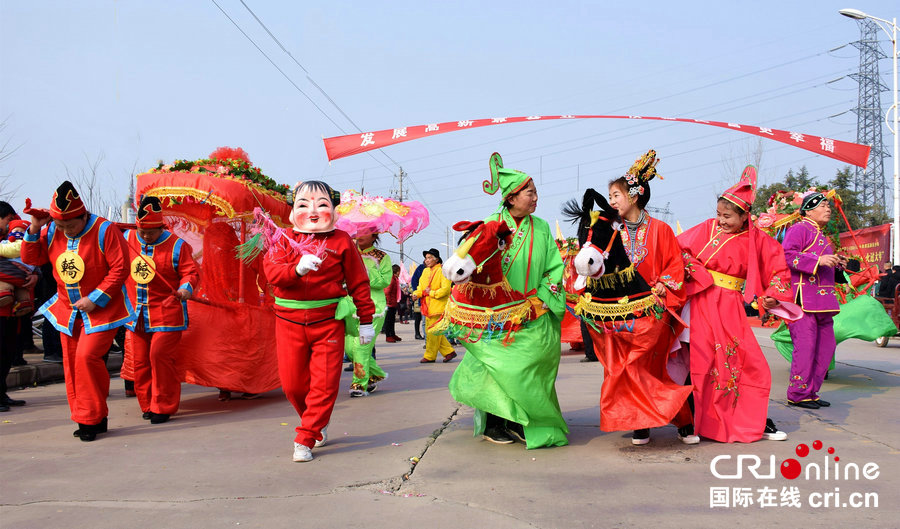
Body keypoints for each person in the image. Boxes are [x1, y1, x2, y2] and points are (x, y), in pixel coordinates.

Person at [447, 152, 568, 448]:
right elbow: (469, 263)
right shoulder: (490, 226)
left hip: (532, 309)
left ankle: (522, 419)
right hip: (495, 314)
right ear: (511, 198)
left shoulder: (540, 227)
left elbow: (554, 265)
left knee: (533, 368)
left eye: (536, 192)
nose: (536, 198)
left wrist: (540, 300)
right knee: (495, 370)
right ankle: (496, 422)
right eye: (530, 193)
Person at [677, 166, 799, 443]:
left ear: (745, 216)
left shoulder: (759, 240)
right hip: (698, 302)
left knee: (749, 364)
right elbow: (677, 250)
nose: (720, 220)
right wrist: (696, 271)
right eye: (719, 214)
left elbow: (779, 272)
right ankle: (690, 421)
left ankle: (753, 421)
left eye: (728, 216)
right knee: (698, 362)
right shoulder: (706, 228)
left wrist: (771, 296)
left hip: (729, 306)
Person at [262, 180, 375, 463]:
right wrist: (296, 270)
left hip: (328, 321)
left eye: (322, 205)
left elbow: (359, 283)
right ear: (292, 209)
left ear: (334, 209)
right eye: (304, 205)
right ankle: (315, 420)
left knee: (325, 384)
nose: (313, 212)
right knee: (292, 385)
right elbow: (272, 273)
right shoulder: (281, 238)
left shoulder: (342, 241)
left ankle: (305, 436)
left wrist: (366, 321)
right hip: (288, 321)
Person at [587, 150, 694, 445]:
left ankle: (683, 419)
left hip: (652, 313)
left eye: (616, 195)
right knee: (624, 370)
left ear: (634, 197)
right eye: (610, 196)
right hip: (619, 315)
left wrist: (663, 284)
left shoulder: (660, 229)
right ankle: (641, 423)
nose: (612, 201)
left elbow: (675, 265)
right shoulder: (611, 232)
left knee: (650, 368)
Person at [21, 181, 135, 441]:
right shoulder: (51, 230)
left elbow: (120, 269)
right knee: (72, 365)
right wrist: (35, 228)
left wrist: (95, 298)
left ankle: (93, 415)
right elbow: (32, 259)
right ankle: (88, 417)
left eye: (71, 225)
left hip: (101, 310)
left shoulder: (105, 229)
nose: (65, 231)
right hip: (68, 310)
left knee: (87, 358)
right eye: (61, 226)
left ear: (83, 215)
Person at [123, 196, 199, 424]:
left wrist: (186, 288)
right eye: (142, 231)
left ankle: (162, 406)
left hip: (166, 312)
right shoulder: (127, 239)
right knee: (140, 361)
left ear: (161, 226)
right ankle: (146, 404)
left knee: (159, 357)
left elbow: (191, 273)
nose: (145, 236)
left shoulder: (177, 245)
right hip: (135, 313)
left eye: (151, 232)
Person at [782, 192, 846, 409]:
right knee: (806, 347)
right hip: (805, 300)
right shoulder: (799, 229)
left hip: (825, 303)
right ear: (808, 210)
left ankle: (811, 392)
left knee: (825, 348)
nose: (828, 209)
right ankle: (797, 393)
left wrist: (837, 263)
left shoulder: (821, 235)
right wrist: (819, 259)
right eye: (823, 205)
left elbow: (823, 265)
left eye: (829, 206)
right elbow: (788, 255)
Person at [344, 231, 390, 397]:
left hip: (373, 307)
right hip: (350, 306)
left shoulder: (382, 256)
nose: (360, 235)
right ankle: (374, 375)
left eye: (365, 232)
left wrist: (366, 272)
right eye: (358, 231)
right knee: (349, 349)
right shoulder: (349, 252)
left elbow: (385, 281)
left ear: (374, 235)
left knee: (361, 348)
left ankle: (359, 384)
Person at [0, 202, 33, 412]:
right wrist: (21, 275)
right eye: (8, 220)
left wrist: (33, 275)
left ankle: (1, 392)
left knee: (7, 351)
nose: (10, 225)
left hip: (11, 308)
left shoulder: (9, 238)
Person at [412, 248, 455, 363]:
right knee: (434, 332)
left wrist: (431, 292)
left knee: (431, 332)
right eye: (426, 258)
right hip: (427, 307)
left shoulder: (442, 271)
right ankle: (449, 351)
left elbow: (445, 290)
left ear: (436, 259)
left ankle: (430, 356)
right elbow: (421, 287)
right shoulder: (425, 271)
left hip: (438, 307)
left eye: (429, 257)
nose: (427, 260)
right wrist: (416, 294)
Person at [0, 218, 36, 316]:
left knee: (5, 281)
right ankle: (24, 302)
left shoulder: (21, 244)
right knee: (22, 289)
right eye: (16, 231)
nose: (18, 233)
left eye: (21, 231)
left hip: (13, 272)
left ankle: (4, 293)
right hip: (25, 275)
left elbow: (9, 250)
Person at [383, 264, 401, 343]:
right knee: (388, 320)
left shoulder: (395, 279)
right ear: (396, 271)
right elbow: (387, 291)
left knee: (392, 319)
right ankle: (388, 335)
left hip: (393, 303)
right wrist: (388, 302)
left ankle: (392, 334)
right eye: (399, 271)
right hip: (389, 303)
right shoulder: (391, 279)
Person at [410, 262, 426, 339]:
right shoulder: (420, 269)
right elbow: (414, 281)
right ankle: (417, 333)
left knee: (423, 319)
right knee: (418, 317)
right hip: (419, 297)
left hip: (426, 297)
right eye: (426, 258)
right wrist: (417, 292)